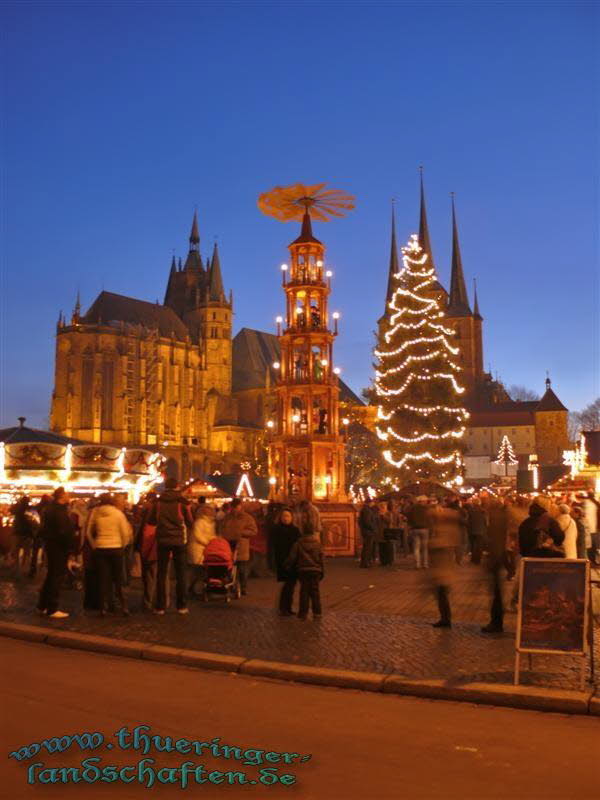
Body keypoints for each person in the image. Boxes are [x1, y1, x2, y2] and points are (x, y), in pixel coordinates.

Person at [148, 477, 194, 614]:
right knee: (181, 574)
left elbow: (151, 521)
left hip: (162, 540)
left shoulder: (157, 502)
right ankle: (181, 606)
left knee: (162, 574)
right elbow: (190, 521)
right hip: (180, 540)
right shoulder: (183, 502)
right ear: (177, 486)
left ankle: (160, 606)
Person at [85, 494, 132, 616]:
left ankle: (103, 607)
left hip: (101, 548)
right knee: (118, 579)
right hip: (116, 548)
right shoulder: (118, 514)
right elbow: (125, 533)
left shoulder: (96, 513)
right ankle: (123, 606)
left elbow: (88, 532)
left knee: (103, 578)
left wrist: (94, 545)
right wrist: (123, 545)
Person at [37, 487, 76, 618]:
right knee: (56, 576)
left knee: (51, 575)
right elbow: (63, 531)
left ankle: (43, 605)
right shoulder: (59, 511)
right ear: (62, 496)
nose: (69, 496)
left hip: (52, 545)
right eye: (67, 494)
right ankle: (52, 608)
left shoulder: (51, 509)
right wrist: (70, 546)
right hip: (59, 547)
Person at [428, 498, 461, 628]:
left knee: (442, 595)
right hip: (441, 568)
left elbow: (443, 544)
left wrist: (431, 543)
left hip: (444, 570)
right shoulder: (446, 528)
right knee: (441, 595)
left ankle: (446, 619)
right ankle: (444, 618)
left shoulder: (447, 530)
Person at [285, 522, 324, 620]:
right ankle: (317, 613)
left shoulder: (298, 543)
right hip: (316, 570)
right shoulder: (318, 544)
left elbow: (292, 557)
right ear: (312, 532)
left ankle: (303, 614)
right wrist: (322, 570)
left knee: (304, 592)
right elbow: (321, 558)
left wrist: (287, 565)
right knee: (315, 592)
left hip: (303, 570)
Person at [219, 498, 257, 595]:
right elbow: (222, 528)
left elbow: (254, 531)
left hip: (241, 546)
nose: (235, 509)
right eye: (233, 507)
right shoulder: (227, 517)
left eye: (237, 506)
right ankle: (230, 585)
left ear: (240, 506)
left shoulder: (247, 518)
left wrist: (241, 533)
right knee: (229, 568)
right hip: (228, 546)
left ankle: (243, 587)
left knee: (242, 569)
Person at [481, 498, 507, 634]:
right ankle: (496, 621)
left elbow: (495, 539)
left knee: (496, 592)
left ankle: (496, 623)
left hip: (496, 558)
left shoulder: (495, 518)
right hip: (499, 557)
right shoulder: (501, 516)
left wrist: (492, 559)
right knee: (497, 592)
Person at [272, 507, 301, 616]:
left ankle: (286, 607)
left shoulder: (295, 530)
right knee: (288, 585)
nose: (286, 518)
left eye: (288, 516)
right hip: (282, 561)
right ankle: (284, 607)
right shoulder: (277, 530)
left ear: (292, 517)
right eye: (284, 516)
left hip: (293, 561)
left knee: (291, 585)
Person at [134, 492, 159, 612]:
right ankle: (159, 602)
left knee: (149, 577)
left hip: (147, 550)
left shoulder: (147, 526)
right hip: (158, 550)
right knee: (158, 576)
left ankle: (148, 601)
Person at [188, 502, 216, 596]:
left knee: (200, 572)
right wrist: (209, 542)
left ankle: (194, 588)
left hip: (205, 549)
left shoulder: (211, 522)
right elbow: (198, 535)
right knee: (198, 571)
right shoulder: (199, 522)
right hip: (198, 550)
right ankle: (194, 589)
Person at [406, 495, 430, 569]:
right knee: (425, 548)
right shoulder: (427, 509)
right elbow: (430, 518)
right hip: (425, 529)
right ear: (423, 501)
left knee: (416, 548)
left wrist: (410, 526)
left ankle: (417, 564)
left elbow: (409, 518)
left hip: (415, 529)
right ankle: (425, 564)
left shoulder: (412, 508)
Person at [358, 498, 379, 568]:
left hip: (366, 531)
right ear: (369, 503)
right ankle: (365, 563)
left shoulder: (365, 510)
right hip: (368, 532)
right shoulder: (367, 510)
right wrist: (373, 528)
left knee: (366, 547)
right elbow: (367, 522)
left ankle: (365, 562)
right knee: (368, 547)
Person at [467, 497, 487, 564]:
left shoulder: (470, 510)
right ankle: (478, 559)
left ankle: (473, 558)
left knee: (472, 545)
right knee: (479, 546)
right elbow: (486, 521)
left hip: (472, 530)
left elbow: (468, 520)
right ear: (479, 503)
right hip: (481, 530)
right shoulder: (483, 510)